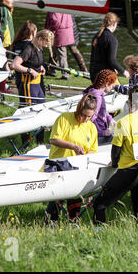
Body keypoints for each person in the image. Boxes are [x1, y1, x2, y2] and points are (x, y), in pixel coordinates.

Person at [92, 85, 138, 225]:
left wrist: (114, 164)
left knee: (99, 204)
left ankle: (98, 235)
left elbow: (115, 151)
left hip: (127, 172)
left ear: (129, 101)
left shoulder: (122, 123)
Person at [44, 93, 99, 222]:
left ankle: (74, 220)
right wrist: (73, 146)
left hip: (77, 166)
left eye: (89, 116)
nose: (85, 119)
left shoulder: (91, 127)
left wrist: (86, 155)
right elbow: (53, 139)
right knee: (57, 195)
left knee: (75, 195)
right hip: (58, 163)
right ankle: (51, 220)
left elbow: (93, 150)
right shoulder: (64, 118)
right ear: (79, 109)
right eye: (83, 115)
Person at [11, 29, 54, 145]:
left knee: (41, 111)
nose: (45, 46)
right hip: (28, 85)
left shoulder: (38, 49)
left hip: (37, 85)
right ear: (40, 39)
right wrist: (29, 70)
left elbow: (35, 62)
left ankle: (40, 142)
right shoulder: (28, 49)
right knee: (28, 112)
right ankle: (25, 143)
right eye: (45, 43)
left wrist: (41, 67)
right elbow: (14, 64)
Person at [55, 0, 88, 73]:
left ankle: (53, 69)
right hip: (72, 27)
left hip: (64, 28)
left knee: (58, 48)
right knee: (73, 49)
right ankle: (84, 69)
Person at [45, 0, 74, 80]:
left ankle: (65, 74)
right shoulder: (63, 2)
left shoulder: (54, 5)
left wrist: (50, 30)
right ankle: (52, 70)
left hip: (59, 33)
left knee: (61, 54)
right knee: (54, 52)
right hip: (65, 32)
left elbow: (55, 20)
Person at [89, 12, 130, 82]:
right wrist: (124, 71)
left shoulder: (97, 36)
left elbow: (96, 57)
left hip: (93, 74)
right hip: (105, 75)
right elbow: (112, 60)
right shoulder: (112, 39)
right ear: (114, 24)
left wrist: (113, 69)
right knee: (119, 90)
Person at [83, 69, 117, 144]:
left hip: (102, 128)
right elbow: (91, 118)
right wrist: (102, 132)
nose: (113, 87)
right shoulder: (97, 97)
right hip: (98, 134)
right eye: (112, 85)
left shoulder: (97, 93)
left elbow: (103, 110)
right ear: (107, 83)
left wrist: (110, 119)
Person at [11, 21, 38, 90]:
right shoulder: (30, 46)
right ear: (32, 32)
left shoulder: (16, 44)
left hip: (18, 76)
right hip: (29, 78)